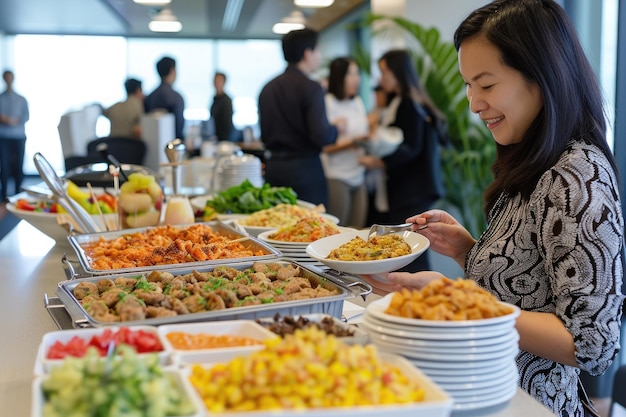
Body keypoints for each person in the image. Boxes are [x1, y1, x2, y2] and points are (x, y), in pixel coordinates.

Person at [364, 1, 625, 415]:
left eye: (486, 85)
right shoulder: (533, 159)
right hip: (482, 391)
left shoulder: (577, 176)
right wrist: (467, 251)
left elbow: (591, 345)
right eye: (469, 85)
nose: (472, 103)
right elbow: (527, 287)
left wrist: (452, 297)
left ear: (542, 76)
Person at [360, 49, 446, 272]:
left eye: (384, 72)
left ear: (398, 72)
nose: (381, 78)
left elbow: (412, 148)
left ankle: (420, 299)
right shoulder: (398, 101)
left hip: (413, 187)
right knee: (408, 244)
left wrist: (379, 162)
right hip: (407, 186)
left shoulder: (410, 103)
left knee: (411, 248)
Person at [258, 27, 343, 207]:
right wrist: (336, 129)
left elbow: (264, 133)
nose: (319, 56)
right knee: (312, 227)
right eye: (317, 50)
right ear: (307, 53)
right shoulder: (311, 87)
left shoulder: (267, 88)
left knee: (273, 226)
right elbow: (320, 135)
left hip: (273, 168)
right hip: (305, 170)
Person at [321, 57, 369, 228]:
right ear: (339, 76)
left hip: (359, 173)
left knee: (357, 229)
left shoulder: (357, 102)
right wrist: (354, 142)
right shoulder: (328, 102)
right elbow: (325, 147)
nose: (357, 79)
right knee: (337, 229)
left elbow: (364, 131)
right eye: (351, 74)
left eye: (357, 74)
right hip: (337, 175)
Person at [0, 70, 29, 201]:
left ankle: (18, 194)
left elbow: (26, 117)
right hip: (3, 137)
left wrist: (13, 121)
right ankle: (4, 195)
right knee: (4, 167)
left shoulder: (21, 99)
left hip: (18, 137)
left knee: (19, 166)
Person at [144, 56, 185, 140]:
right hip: (171, 146)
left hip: (151, 144)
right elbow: (179, 127)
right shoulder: (176, 97)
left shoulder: (149, 97)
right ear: (172, 70)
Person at [210, 72, 234, 142]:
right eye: (215, 81)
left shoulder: (226, 101)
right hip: (215, 137)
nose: (217, 83)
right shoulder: (215, 99)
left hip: (224, 139)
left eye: (219, 81)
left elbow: (227, 123)